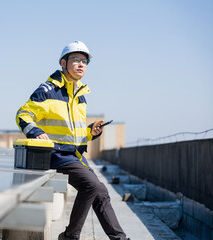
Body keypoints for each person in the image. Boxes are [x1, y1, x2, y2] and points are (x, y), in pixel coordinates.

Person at [16, 41, 129, 240]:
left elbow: (73, 133)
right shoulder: (48, 90)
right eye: (75, 59)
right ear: (63, 62)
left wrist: (91, 132)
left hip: (72, 154)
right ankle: (69, 237)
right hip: (55, 153)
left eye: (84, 61)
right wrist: (35, 132)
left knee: (101, 192)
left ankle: (120, 239)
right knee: (91, 185)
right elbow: (22, 115)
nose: (81, 64)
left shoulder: (80, 95)